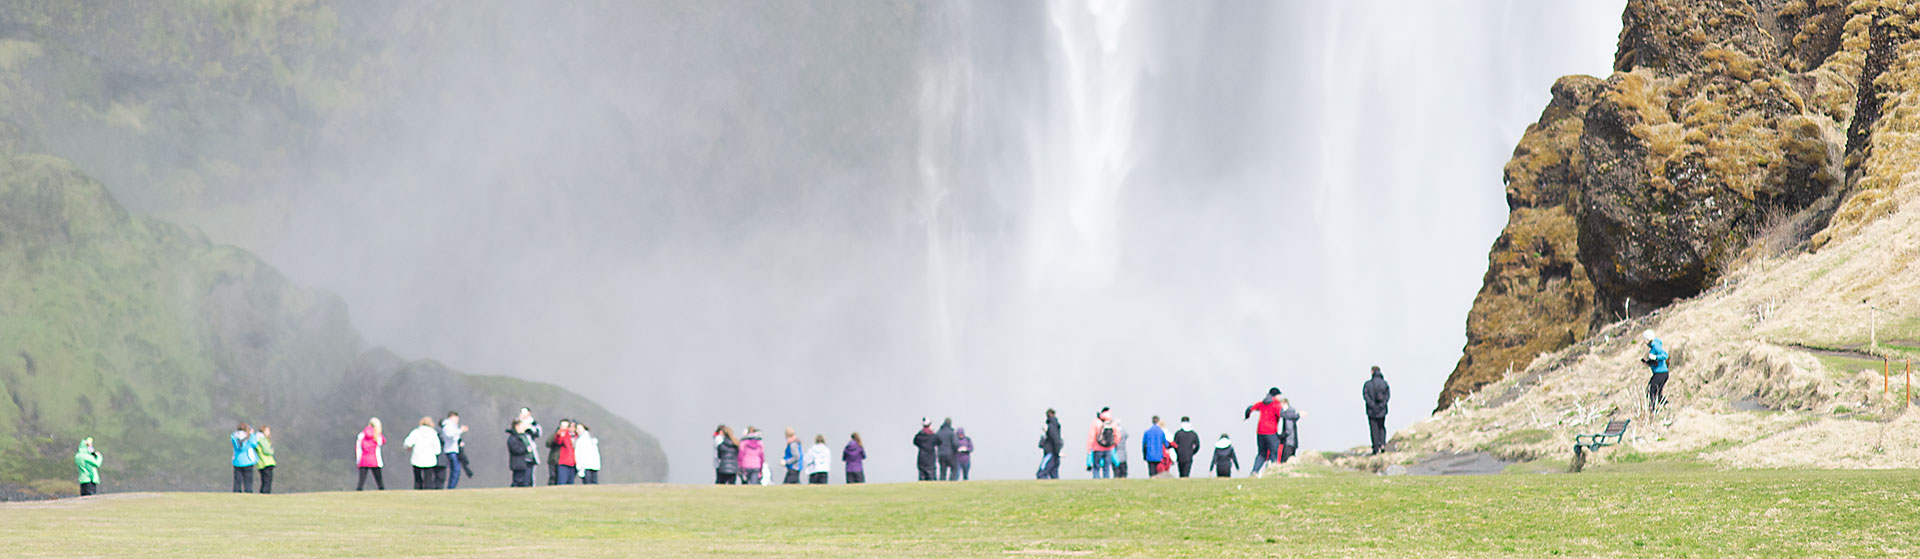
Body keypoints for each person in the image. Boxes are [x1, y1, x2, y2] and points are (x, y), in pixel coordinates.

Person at [1244, 388, 1285, 475]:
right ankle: (1272, 471)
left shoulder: (1262, 403)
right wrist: (1297, 416)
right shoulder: (1276, 404)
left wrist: (1246, 416)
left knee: (1262, 453)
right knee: (1274, 452)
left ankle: (1254, 471)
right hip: (1271, 431)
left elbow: (1250, 409)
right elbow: (1283, 414)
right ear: (1276, 395)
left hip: (1260, 432)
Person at [405, 417, 443, 490]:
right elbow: (437, 449)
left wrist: (409, 447)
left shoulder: (416, 432)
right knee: (428, 479)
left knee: (417, 479)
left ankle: (417, 491)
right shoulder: (433, 433)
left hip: (417, 458)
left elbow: (407, 443)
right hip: (430, 459)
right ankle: (428, 493)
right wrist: (435, 453)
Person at [1364, 366, 1392, 454]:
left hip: (1371, 411)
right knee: (1381, 427)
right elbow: (1387, 396)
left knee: (1374, 428)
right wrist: (1382, 405)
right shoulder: (1384, 384)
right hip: (1382, 410)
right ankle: (1382, 444)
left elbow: (1366, 396)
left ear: (1372, 372)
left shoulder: (1368, 384)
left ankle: (1375, 447)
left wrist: (1372, 405)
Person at [1642, 330, 1670, 414]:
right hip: (1660, 372)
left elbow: (1665, 355)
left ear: (1648, 339)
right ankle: (1665, 406)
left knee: (1651, 390)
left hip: (1661, 373)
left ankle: (1653, 410)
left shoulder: (1655, 346)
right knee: (1656, 392)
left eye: (1644, 339)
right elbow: (1656, 362)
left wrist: (1655, 357)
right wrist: (1648, 363)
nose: (1644, 342)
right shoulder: (1653, 346)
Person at [440, 412, 468, 489]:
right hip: (450, 451)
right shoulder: (448, 426)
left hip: (455, 450)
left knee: (455, 470)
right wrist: (460, 430)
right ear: (452, 417)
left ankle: (451, 487)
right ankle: (451, 487)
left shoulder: (452, 426)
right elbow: (449, 435)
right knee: (456, 470)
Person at [356, 417, 386, 490]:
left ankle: (358, 493)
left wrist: (358, 461)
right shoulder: (377, 435)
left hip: (364, 460)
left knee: (361, 482)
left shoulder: (361, 435)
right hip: (375, 460)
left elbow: (358, 448)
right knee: (379, 482)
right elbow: (382, 442)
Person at [1087, 408, 1115, 479]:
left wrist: (1089, 447)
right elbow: (1117, 435)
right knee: (1106, 467)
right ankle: (1106, 480)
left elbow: (1092, 436)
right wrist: (1113, 444)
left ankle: (1096, 480)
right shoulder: (1111, 422)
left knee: (1096, 467)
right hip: (1109, 448)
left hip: (1097, 448)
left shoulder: (1096, 422)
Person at [507, 419, 537, 487]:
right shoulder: (513, 438)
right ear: (517, 427)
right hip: (519, 464)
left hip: (528, 462)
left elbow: (536, 433)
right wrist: (526, 449)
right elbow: (515, 449)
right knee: (518, 481)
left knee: (527, 481)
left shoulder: (526, 436)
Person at [231, 422, 258, 493]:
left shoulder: (234, 436)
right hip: (247, 461)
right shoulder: (248, 437)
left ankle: (237, 492)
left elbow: (236, 446)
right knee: (248, 480)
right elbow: (254, 444)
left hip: (237, 461)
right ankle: (248, 491)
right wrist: (252, 434)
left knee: (237, 480)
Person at [1037, 409, 1063, 480]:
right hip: (1055, 453)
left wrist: (1057, 451)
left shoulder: (1051, 426)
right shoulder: (1055, 426)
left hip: (1051, 453)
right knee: (1054, 474)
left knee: (1041, 473)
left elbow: (1055, 440)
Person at [547, 419, 573, 485]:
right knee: (553, 478)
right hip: (555, 459)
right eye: (562, 426)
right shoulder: (557, 434)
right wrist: (557, 435)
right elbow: (548, 443)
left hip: (566, 461)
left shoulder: (570, 436)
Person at [256, 426, 277, 494]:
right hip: (266, 462)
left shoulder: (257, 439)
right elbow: (266, 451)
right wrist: (271, 451)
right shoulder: (262, 439)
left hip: (261, 463)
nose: (269, 433)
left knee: (264, 480)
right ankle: (265, 493)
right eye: (267, 431)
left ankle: (263, 493)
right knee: (267, 480)